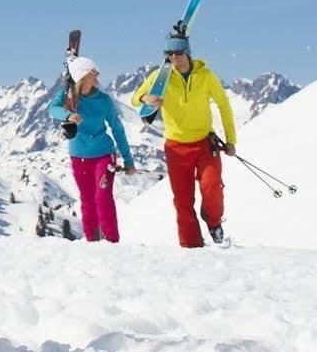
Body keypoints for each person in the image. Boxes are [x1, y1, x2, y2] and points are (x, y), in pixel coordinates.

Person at [129, 31, 237, 248]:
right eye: (169, 53)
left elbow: (224, 105)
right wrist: (146, 97)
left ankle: (214, 221)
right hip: (176, 147)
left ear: (187, 53)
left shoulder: (205, 76)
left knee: (212, 187)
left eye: (178, 52)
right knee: (182, 200)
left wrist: (231, 139)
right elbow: (135, 98)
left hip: (205, 143)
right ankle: (191, 245)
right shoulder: (160, 77)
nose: (174, 57)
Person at [47, 54, 136, 242]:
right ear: (82, 76)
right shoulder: (67, 96)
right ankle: (92, 242)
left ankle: (112, 242)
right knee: (87, 201)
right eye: (93, 72)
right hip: (78, 156)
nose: (98, 75)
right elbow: (52, 109)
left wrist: (128, 160)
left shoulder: (104, 100)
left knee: (103, 198)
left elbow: (117, 129)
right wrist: (68, 116)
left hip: (104, 155)